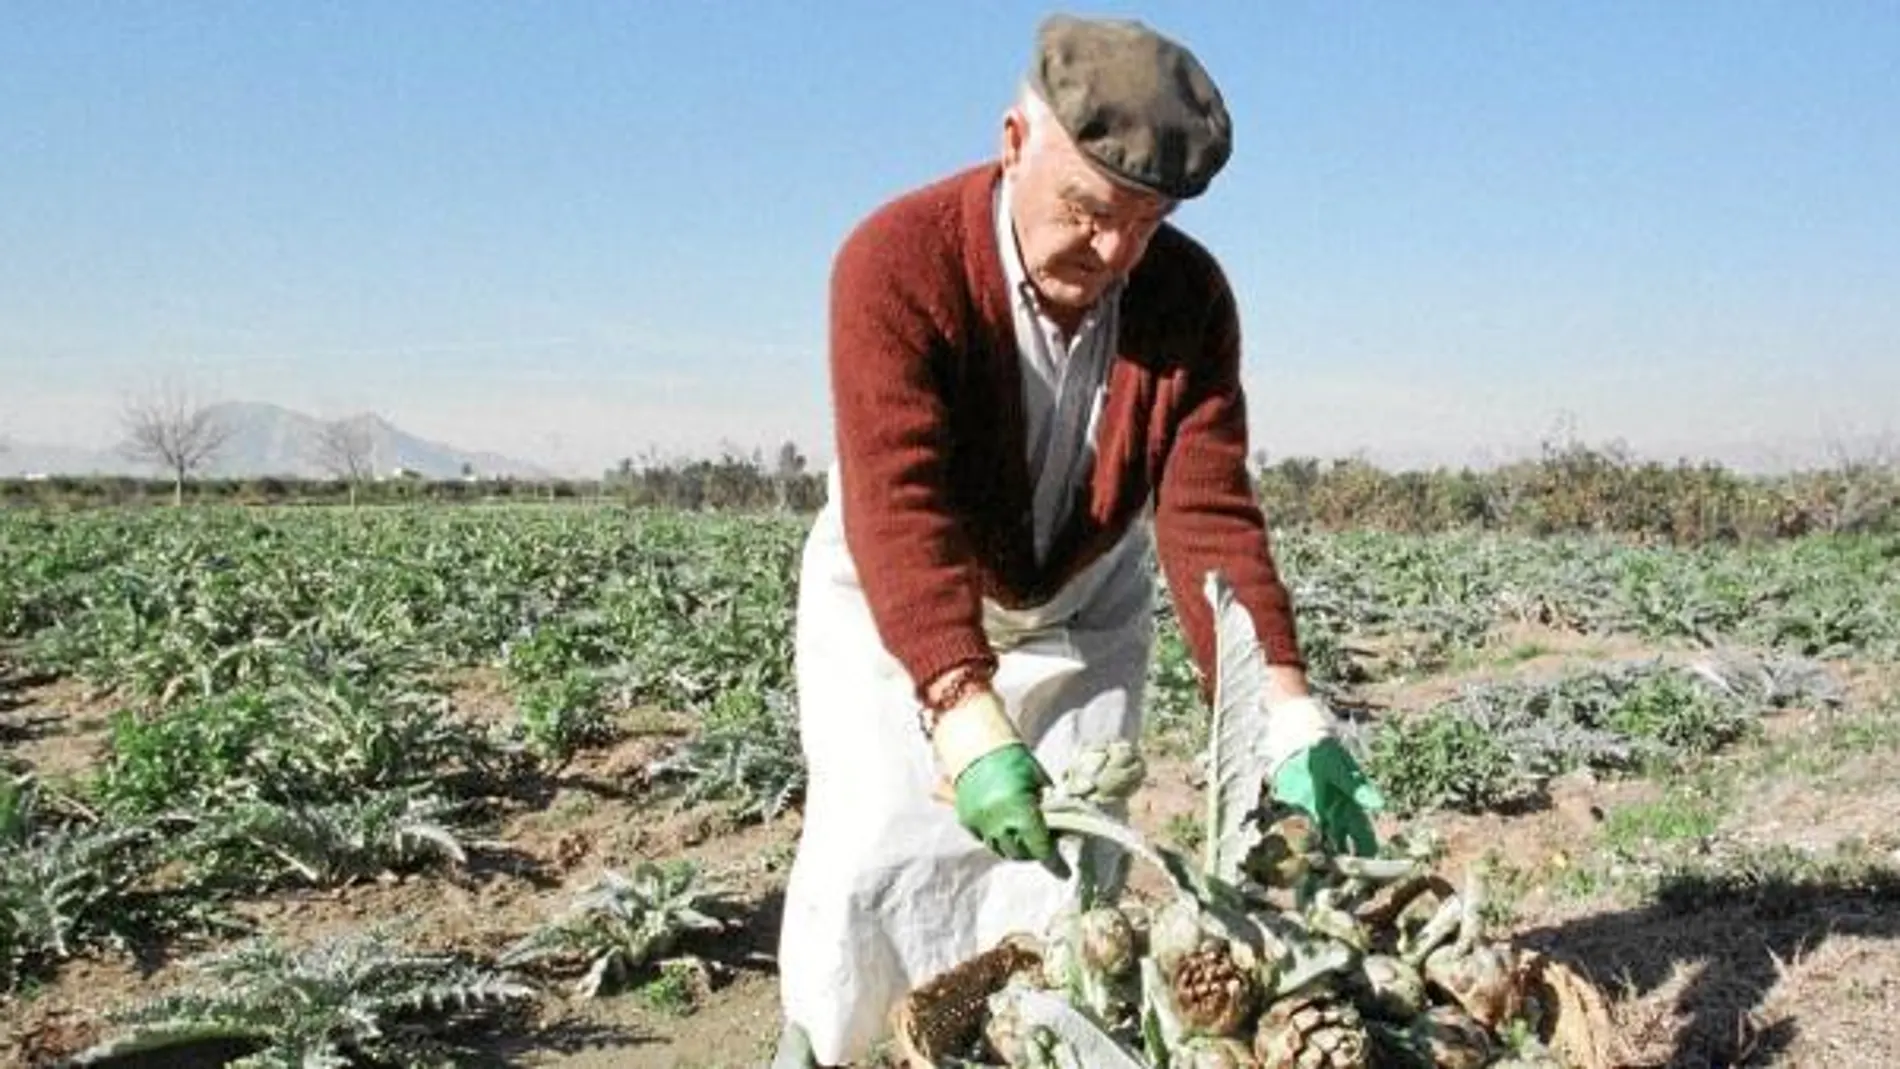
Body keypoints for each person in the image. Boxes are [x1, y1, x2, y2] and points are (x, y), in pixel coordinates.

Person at [770, 13, 1385, 1067]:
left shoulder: (1186, 297)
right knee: (873, 856)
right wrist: (961, 710)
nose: (1114, 253)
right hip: (901, 592)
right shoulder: (894, 260)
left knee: (1064, 885)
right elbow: (900, 501)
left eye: (1146, 224)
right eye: (1089, 211)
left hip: (1080, 599)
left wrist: (1284, 702)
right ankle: (821, 1048)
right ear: (1014, 141)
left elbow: (1206, 512)